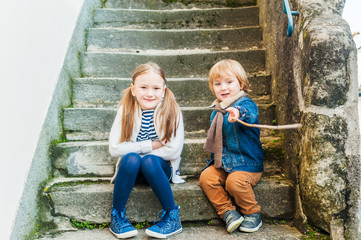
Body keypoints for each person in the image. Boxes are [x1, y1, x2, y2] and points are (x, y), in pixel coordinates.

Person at [108, 62, 184, 239]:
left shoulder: (172, 111)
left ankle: (172, 217)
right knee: (132, 159)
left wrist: (143, 154)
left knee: (147, 161)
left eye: (156, 88)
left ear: (164, 90)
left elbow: (173, 151)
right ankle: (117, 216)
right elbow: (114, 148)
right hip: (133, 171)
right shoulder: (125, 111)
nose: (150, 93)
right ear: (133, 89)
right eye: (143, 87)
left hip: (158, 170)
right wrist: (150, 145)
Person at [199, 59, 264, 233]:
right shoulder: (217, 110)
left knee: (234, 182)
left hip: (246, 164)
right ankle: (228, 212)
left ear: (241, 84)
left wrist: (238, 113)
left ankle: (252, 213)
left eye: (229, 82)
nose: (223, 88)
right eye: (218, 84)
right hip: (224, 162)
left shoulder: (245, 104)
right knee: (206, 177)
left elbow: (250, 114)